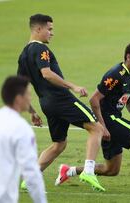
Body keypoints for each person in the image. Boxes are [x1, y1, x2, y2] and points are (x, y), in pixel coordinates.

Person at [55, 43, 130, 197]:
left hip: (115, 118)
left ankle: (69, 170)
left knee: (111, 170)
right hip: (108, 119)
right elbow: (94, 100)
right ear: (128, 57)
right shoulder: (115, 75)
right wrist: (102, 126)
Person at [17, 14, 105, 191]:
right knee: (97, 128)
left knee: (59, 144)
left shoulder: (23, 54)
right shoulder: (41, 49)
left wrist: (32, 112)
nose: (52, 33)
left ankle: (29, 179)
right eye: (49, 29)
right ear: (38, 29)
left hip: (46, 103)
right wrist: (73, 86)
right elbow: (47, 73)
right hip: (61, 99)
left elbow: (20, 86)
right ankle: (88, 171)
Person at [0, 76, 47, 203]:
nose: (30, 99)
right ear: (18, 98)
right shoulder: (21, 129)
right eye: (28, 94)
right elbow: (31, 172)